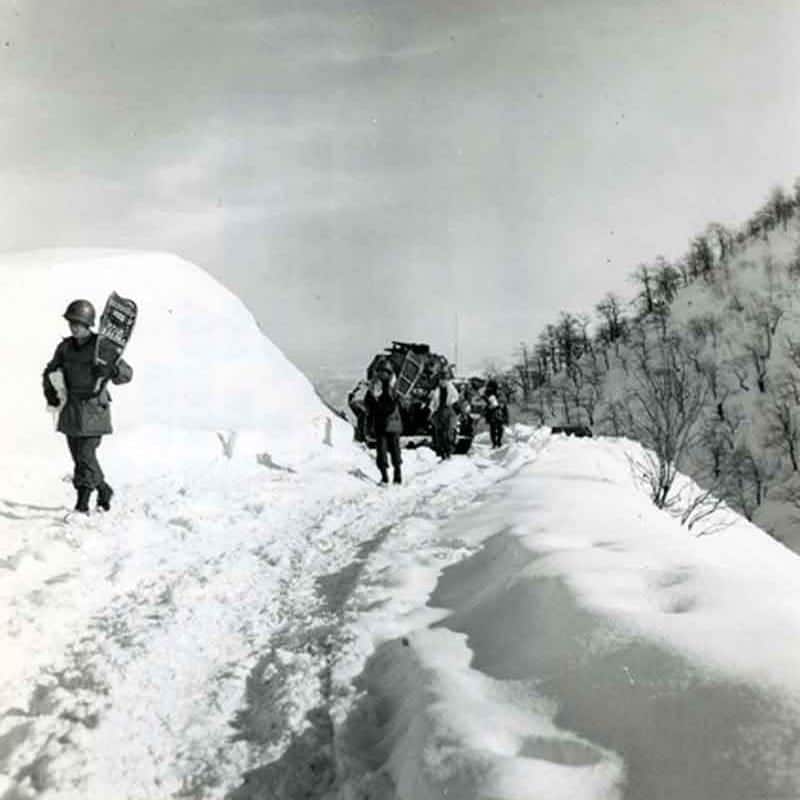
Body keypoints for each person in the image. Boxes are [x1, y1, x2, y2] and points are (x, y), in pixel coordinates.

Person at [42, 299, 133, 513]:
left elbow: (127, 374)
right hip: (71, 409)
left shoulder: (103, 347)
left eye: (78, 323)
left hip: (93, 410)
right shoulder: (64, 347)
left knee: (85, 456)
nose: (73, 327)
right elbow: (50, 370)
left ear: (88, 324)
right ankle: (104, 489)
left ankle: (82, 504)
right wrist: (50, 393)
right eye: (71, 322)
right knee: (79, 459)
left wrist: (112, 371)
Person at [364, 360, 403, 484]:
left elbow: (392, 406)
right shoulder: (375, 387)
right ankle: (385, 476)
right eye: (380, 372)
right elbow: (368, 403)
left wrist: (376, 403)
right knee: (381, 452)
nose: (381, 374)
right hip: (381, 424)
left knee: (394, 450)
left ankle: (397, 473)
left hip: (392, 423)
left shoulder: (393, 388)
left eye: (384, 372)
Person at [428, 371, 459, 459]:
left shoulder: (451, 388)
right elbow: (433, 402)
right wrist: (431, 411)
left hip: (448, 410)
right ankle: (442, 452)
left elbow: (456, 397)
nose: (443, 382)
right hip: (438, 412)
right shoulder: (436, 390)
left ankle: (449, 450)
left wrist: (451, 403)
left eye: (444, 380)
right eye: (441, 380)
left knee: (449, 431)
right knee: (439, 433)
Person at [484, 379, 507, 448]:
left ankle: (497, 442)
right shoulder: (487, 393)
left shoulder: (499, 392)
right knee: (493, 428)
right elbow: (484, 401)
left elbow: (503, 401)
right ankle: (495, 443)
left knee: (498, 428)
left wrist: (500, 404)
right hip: (492, 412)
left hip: (497, 411)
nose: (490, 388)